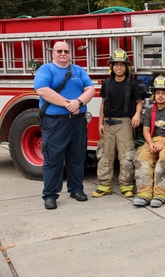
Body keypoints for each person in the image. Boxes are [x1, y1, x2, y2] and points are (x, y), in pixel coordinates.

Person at [34, 41, 95, 210]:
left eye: (66, 51)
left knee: (77, 157)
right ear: (52, 53)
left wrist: (79, 102)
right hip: (55, 122)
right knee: (53, 158)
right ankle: (50, 195)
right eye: (59, 51)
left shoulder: (78, 70)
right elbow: (42, 90)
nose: (63, 54)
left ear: (70, 53)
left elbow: (90, 89)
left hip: (78, 121)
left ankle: (76, 189)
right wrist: (68, 104)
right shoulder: (46, 70)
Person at [92, 48, 143, 198]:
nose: (118, 67)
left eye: (121, 64)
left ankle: (127, 186)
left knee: (126, 156)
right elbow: (103, 105)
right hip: (108, 124)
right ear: (111, 67)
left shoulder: (132, 84)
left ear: (126, 67)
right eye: (116, 64)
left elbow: (139, 103)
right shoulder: (106, 83)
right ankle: (104, 186)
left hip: (125, 124)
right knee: (105, 156)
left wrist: (137, 115)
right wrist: (100, 123)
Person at [133, 75, 165, 208]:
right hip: (153, 139)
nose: (160, 96)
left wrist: (162, 144)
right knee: (142, 158)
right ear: (154, 95)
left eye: (163, 93)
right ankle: (144, 194)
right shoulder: (150, 109)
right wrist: (150, 144)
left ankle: (160, 195)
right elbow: (146, 129)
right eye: (157, 93)